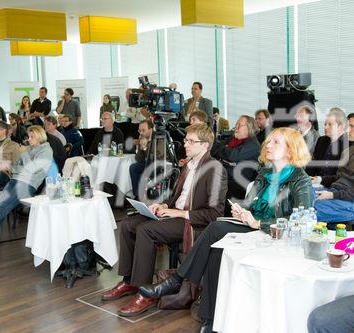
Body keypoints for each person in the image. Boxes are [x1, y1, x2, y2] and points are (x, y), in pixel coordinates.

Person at [138, 127, 314, 331]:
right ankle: (209, 320)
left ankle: (180, 281)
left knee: (215, 228)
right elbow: (251, 205)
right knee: (215, 251)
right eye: (269, 141)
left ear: (291, 150)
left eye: (276, 142)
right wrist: (242, 212)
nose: (269, 145)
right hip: (251, 228)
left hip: (275, 236)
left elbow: (303, 222)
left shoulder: (300, 180)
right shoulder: (265, 173)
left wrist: (259, 223)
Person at [102, 124, 228, 317]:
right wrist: (163, 206)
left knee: (146, 230)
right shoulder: (189, 165)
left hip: (191, 221)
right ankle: (129, 281)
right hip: (175, 213)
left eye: (190, 141)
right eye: (186, 139)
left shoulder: (215, 169)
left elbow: (214, 213)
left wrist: (178, 213)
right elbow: (178, 197)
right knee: (127, 225)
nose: (185, 144)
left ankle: (146, 293)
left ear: (204, 145)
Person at [211, 115, 261, 200]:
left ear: (249, 128)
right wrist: (226, 153)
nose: (236, 128)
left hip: (238, 187)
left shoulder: (253, 145)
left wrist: (224, 153)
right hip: (225, 179)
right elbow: (214, 147)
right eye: (236, 125)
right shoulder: (234, 139)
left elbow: (232, 156)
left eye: (239, 125)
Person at [308, 108, 349, 188]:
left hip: (335, 187)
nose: (326, 127)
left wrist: (318, 180)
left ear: (340, 126)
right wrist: (305, 179)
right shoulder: (322, 140)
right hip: (316, 184)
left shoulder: (348, 145)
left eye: (330, 124)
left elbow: (341, 177)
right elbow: (313, 164)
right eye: (325, 124)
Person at [314, 145, 354, 222]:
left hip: (348, 200)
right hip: (337, 192)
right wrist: (319, 179)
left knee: (308, 207)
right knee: (301, 193)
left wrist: (331, 195)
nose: (347, 132)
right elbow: (340, 177)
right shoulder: (349, 150)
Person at [130, 120, 157, 198]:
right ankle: (138, 195)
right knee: (133, 167)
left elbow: (156, 156)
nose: (141, 133)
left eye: (143, 130)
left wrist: (146, 147)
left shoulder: (158, 137)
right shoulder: (142, 137)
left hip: (158, 162)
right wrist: (141, 147)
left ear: (150, 130)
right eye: (139, 130)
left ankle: (150, 195)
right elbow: (139, 159)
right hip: (148, 162)